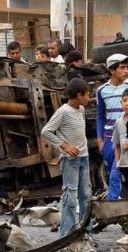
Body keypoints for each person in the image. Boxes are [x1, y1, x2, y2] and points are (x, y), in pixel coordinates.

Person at [41, 78, 92, 237]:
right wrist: (64, 146)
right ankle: (67, 234)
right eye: (87, 95)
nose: (89, 99)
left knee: (86, 195)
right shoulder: (63, 112)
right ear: (79, 95)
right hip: (71, 161)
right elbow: (46, 131)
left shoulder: (81, 110)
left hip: (84, 158)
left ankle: (85, 230)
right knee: (70, 196)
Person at [97, 53, 128, 201]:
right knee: (113, 172)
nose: (126, 71)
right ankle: (126, 209)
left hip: (126, 138)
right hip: (108, 139)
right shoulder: (102, 90)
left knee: (116, 171)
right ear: (112, 70)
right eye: (122, 68)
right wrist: (99, 139)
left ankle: (112, 202)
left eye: (127, 67)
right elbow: (101, 116)